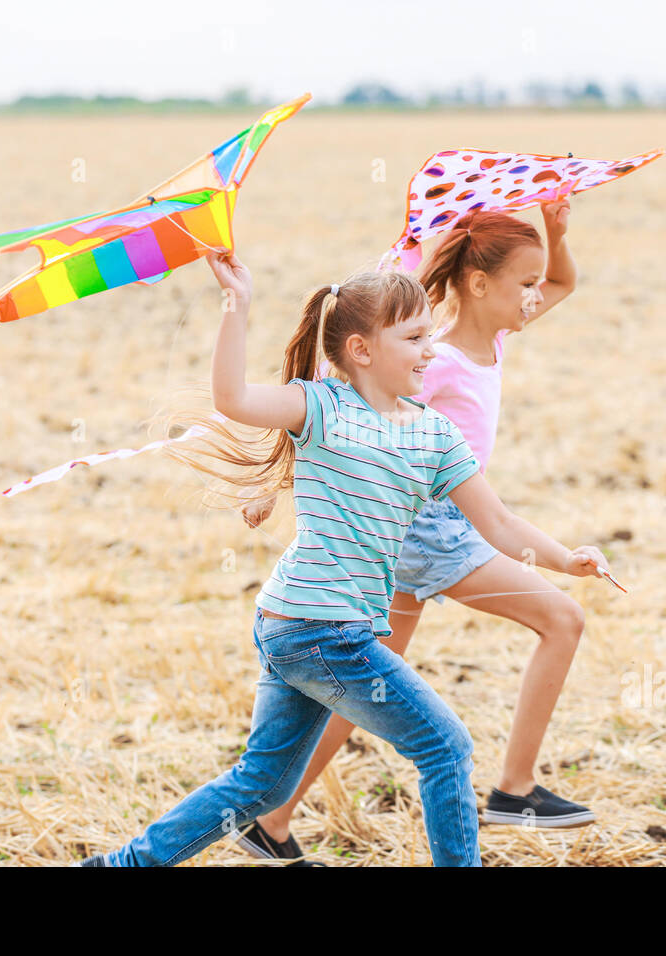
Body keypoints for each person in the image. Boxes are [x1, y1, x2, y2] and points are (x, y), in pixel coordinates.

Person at [84, 248, 613, 866]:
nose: (430, 349)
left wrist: (563, 559)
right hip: (317, 629)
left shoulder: (432, 433)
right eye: (414, 337)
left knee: (263, 785)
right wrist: (238, 303)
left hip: (304, 628)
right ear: (362, 351)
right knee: (445, 747)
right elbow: (231, 397)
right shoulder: (319, 406)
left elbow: (497, 521)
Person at [241, 202, 597, 861]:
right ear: (479, 284)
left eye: (535, 284)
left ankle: (273, 819)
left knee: (367, 684)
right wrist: (272, 484)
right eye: (524, 284)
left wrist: (558, 234)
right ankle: (515, 790)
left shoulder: (494, 336)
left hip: (414, 532)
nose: (535, 296)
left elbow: (565, 283)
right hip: (428, 532)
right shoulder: (438, 365)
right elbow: (349, 416)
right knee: (562, 620)